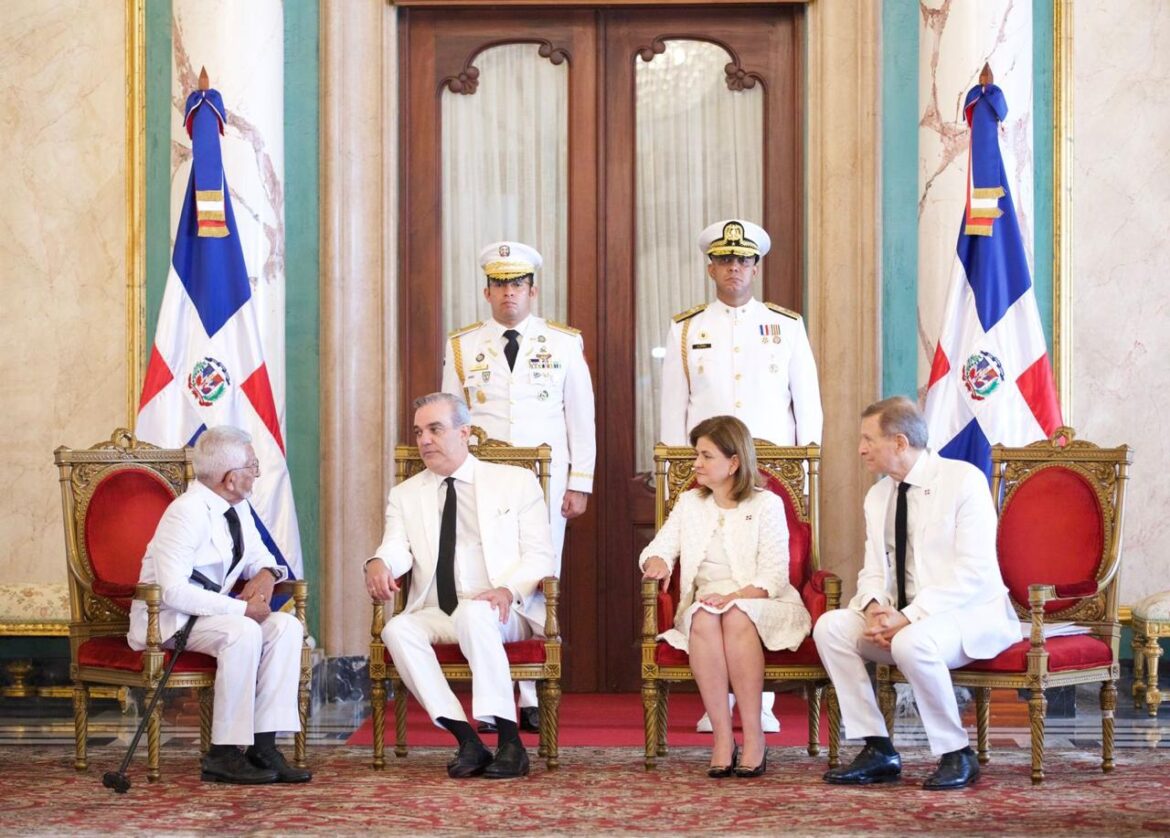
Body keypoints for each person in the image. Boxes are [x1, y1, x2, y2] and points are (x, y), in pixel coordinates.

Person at [659, 218, 823, 734]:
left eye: (744, 260)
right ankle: (717, 701)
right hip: (707, 468)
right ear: (711, 268)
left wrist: (805, 469)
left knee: (761, 569)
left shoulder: (785, 325)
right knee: (714, 571)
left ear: (756, 267)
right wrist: (676, 471)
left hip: (773, 468)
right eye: (726, 260)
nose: (735, 268)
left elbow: (807, 403)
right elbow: (673, 408)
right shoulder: (687, 328)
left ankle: (761, 701)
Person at [813, 397, 1019, 790]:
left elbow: (973, 573)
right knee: (830, 627)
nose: (860, 449)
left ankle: (957, 752)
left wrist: (908, 617)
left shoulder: (963, 480)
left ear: (900, 442)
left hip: (968, 615)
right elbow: (873, 569)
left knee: (911, 641)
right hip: (901, 617)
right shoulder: (878, 496)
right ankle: (877, 748)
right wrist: (875, 608)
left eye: (868, 439)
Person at [442, 240, 595, 733]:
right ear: (487, 291)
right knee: (483, 578)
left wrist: (581, 481)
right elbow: (450, 418)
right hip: (481, 483)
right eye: (500, 284)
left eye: (518, 284)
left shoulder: (563, 343)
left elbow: (581, 418)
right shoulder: (463, 345)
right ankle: (492, 695)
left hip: (545, 484)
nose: (510, 293)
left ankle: (531, 694)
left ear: (533, 290)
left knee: (539, 577)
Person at [365, 393, 556, 779]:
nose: (424, 440)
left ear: (464, 433)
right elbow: (396, 547)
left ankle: (510, 742)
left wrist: (508, 590)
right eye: (419, 432)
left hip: (506, 611)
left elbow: (540, 556)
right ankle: (467, 739)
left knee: (475, 614)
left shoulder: (514, 482)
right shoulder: (405, 494)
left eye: (435, 429)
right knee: (396, 629)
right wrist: (379, 562)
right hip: (439, 610)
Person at [128, 426, 310, 785]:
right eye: (252, 466)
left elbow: (261, 556)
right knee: (242, 631)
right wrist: (241, 610)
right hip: (169, 620)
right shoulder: (185, 513)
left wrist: (268, 573)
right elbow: (173, 592)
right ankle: (223, 753)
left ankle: (263, 746)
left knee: (287, 627)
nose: (257, 473)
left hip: (213, 618)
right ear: (230, 478)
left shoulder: (236, 507)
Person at [640, 415, 811, 778]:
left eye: (706, 456)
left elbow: (775, 575)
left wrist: (733, 596)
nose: (696, 464)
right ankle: (722, 738)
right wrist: (657, 562)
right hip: (708, 604)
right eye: (696, 455)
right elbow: (660, 547)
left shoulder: (767, 504)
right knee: (703, 617)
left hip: (765, 601)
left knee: (735, 615)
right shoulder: (690, 503)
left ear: (734, 463)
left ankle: (754, 737)